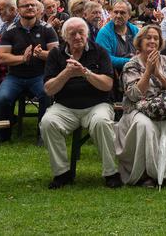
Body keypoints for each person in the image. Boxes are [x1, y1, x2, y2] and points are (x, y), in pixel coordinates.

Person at [40, 17, 120, 189]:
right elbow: (49, 89)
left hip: (97, 104)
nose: (77, 37)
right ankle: (61, 173)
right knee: (47, 122)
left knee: (102, 122)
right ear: (64, 37)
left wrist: (85, 73)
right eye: (72, 33)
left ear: (87, 34)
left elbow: (107, 85)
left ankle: (111, 172)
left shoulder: (100, 51)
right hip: (65, 106)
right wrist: (67, 73)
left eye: (81, 33)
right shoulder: (56, 54)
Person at [115, 25, 166, 187]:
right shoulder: (131, 65)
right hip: (138, 108)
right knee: (144, 126)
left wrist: (159, 75)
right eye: (148, 38)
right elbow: (134, 95)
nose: (152, 41)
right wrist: (148, 72)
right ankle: (145, 173)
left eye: (156, 38)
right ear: (140, 42)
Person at [0, 0, 58, 143]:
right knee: (2, 98)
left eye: (32, 5)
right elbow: (2, 57)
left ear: (37, 9)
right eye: (25, 5)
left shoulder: (47, 29)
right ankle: (3, 135)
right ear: (18, 10)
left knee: (46, 93)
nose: (30, 7)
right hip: (15, 77)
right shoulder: (10, 30)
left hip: (39, 75)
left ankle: (43, 134)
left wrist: (41, 54)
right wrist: (22, 58)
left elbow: (56, 56)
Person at [95, 0, 138, 71]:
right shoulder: (104, 33)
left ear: (129, 15)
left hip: (135, 70)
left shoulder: (134, 30)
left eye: (122, 13)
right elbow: (105, 58)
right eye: (115, 12)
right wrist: (131, 61)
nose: (118, 16)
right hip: (113, 73)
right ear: (111, 13)